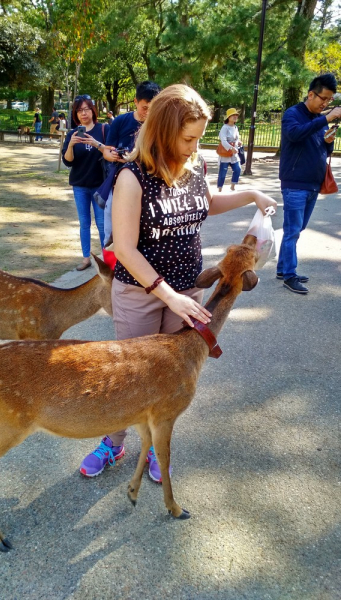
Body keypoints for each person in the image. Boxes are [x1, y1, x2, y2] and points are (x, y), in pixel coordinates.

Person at [79, 84, 277, 480]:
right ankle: (113, 444)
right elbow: (127, 249)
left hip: (188, 290)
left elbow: (206, 205)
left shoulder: (192, 168)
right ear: (165, 130)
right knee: (129, 377)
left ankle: (153, 446)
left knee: (169, 379)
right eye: (188, 138)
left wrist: (252, 194)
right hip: (143, 293)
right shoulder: (131, 178)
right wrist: (168, 297)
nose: (194, 146)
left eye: (199, 138)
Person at [277, 73, 341, 294]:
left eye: (329, 100)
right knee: (293, 230)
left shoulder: (318, 120)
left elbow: (321, 150)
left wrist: (328, 142)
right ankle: (289, 276)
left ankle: (283, 268)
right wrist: (326, 118)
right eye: (323, 98)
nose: (325, 104)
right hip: (295, 183)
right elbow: (294, 135)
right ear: (311, 94)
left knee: (297, 228)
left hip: (313, 184)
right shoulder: (293, 114)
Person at [101, 81, 161, 246]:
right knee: (111, 232)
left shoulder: (159, 125)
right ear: (135, 101)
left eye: (153, 108)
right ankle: (111, 266)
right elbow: (107, 151)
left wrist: (135, 157)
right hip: (120, 184)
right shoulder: (120, 121)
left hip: (150, 187)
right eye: (144, 108)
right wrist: (113, 155)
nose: (148, 113)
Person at [62, 95, 110, 270]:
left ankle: (107, 258)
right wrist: (71, 145)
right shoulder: (72, 134)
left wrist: (96, 143)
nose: (83, 113)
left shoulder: (103, 129)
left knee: (102, 223)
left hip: (99, 185)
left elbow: (111, 152)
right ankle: (86, 258)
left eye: (86, 109)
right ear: (76, 113)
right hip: (80, 185)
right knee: (84, 223)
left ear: (93, 110)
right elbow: (68, 162)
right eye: (79, 110)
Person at [217, 108, 242, 192]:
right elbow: (223, 141)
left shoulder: (235, 127)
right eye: (233, 115)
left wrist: (238, 142)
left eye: (236, 115)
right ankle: (220, 189)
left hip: (234, 153)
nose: (235, 117)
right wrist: (231, 148)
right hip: (226, 153)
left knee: (238, 169)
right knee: (222, 174)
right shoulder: (225, 128)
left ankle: (232, 186)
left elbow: (237, 138)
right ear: (228, 117)